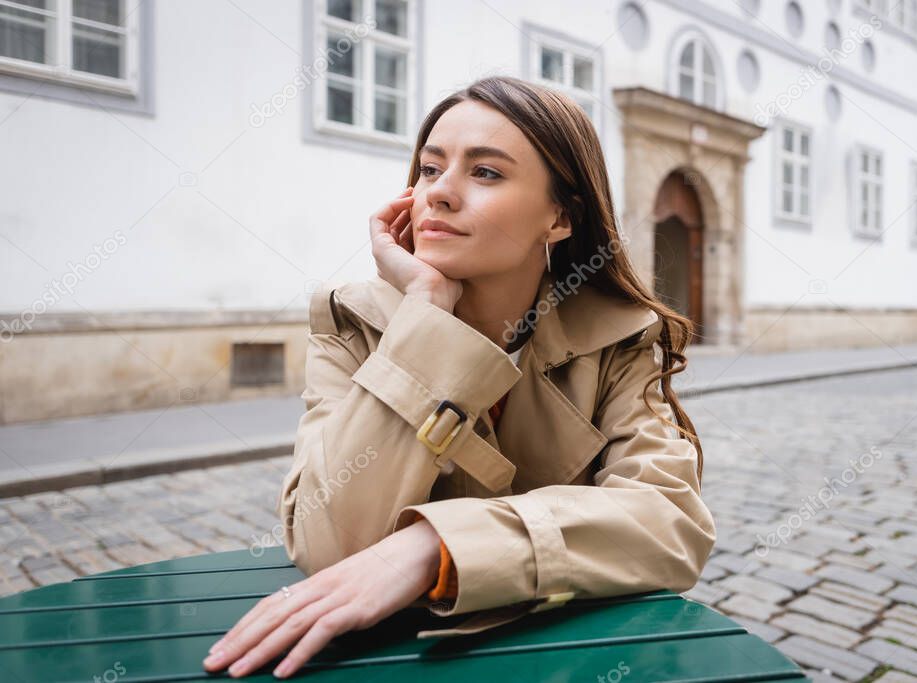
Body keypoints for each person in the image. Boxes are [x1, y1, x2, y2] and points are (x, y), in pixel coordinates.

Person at [202, 75, 715, 679]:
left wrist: (435, 546)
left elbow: (668, 522)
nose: (439, 194)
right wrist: (424, 314)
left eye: (487, 173)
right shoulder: (352, 325)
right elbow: (329, 541)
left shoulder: (618, 339)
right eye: (429, 169)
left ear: (560, 217)